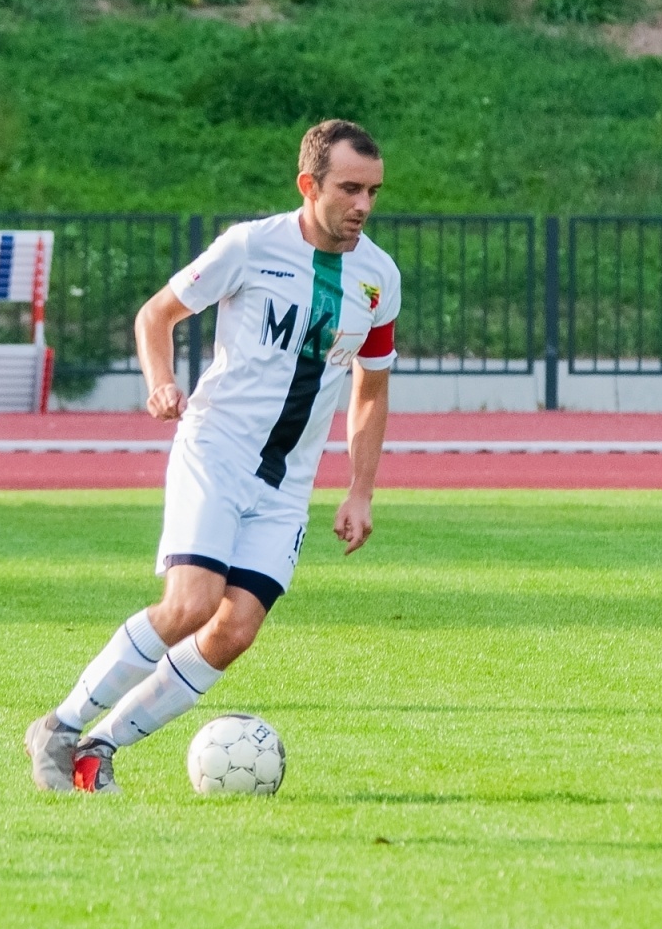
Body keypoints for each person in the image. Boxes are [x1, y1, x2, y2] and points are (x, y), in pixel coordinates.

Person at [25, 119, 399, 793]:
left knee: (235, 629)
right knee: (191, 604)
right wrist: (160, 381)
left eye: (373, 191)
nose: (364, 206)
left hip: (286, 485)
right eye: (350, 188)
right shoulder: (251, 247)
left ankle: (98, 749)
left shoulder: (378, 279)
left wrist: (360, 488)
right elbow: (155, 316)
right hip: (217, 451)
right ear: (308, 185)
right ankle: (59, 726)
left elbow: (371, 386)